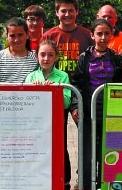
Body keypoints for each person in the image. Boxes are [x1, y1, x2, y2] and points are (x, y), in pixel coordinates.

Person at [71, 19, 122, 190]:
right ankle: (85, 185)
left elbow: (121, 85)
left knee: (108, 151)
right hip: (89, 112)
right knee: (88, 152)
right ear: (92, 35)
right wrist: (75, 106)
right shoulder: (84, 58)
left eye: (107, 34)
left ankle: (106, 184)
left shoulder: (116, 60)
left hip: (111, 113)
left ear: (111, 35)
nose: (103, 37)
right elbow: (77, 83)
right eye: (99, 34)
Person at [25, 40, 72, 190]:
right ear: (37, 56)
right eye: (42, 55)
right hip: (35, 124)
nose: (46, 59)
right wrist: (35, 90)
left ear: (56, 57)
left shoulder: (63, 76)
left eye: (50, 55)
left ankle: (64, 181)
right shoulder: (31, 77)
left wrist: (53, 92)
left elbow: (66, 103)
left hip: (56, 123)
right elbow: (24, 102)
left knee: (59, 150)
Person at [41, 0, 93, 77]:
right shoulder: (48, 36)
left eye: (71, 11)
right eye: (63, 11)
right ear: (57, 12)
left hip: (81, 85)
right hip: (56, 83)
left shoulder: (87, 35)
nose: (67, 14)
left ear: (77, 11)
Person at [0, 17, 38, 82]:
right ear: (7, 36)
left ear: (27, 34)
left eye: (20, 35)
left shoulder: (36, 58)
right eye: (12, 36)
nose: (16, 39)